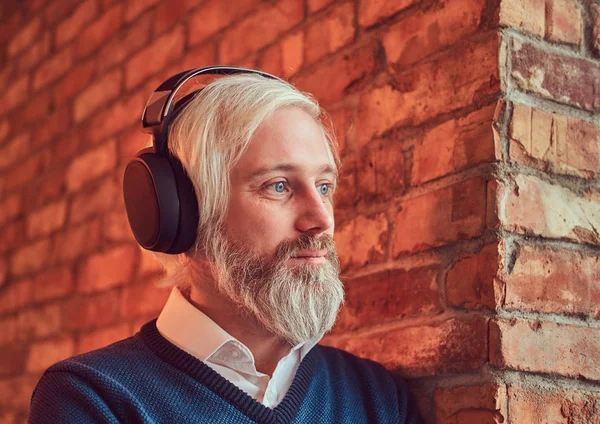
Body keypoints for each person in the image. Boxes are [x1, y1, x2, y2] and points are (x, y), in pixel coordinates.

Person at [29, 67, 421, 423]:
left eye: (324, 186)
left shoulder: (377, 397)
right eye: (279, 186)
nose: (321, 219)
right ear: (185, 210)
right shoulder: (91, 399)